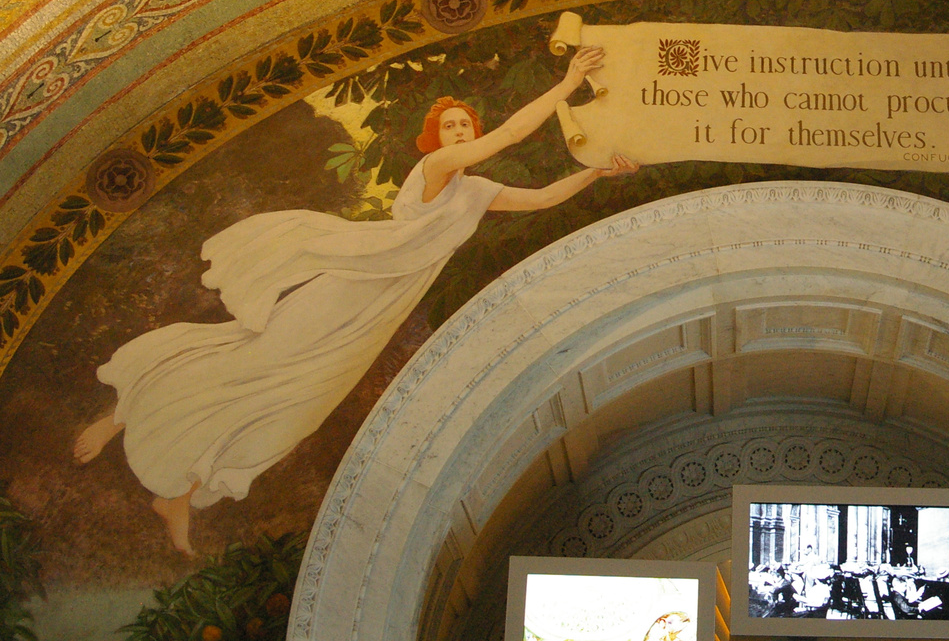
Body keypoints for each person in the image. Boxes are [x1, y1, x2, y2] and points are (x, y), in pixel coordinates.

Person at [73, 46, 637, 554]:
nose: (462, 133)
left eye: (467, 125)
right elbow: (511, 136)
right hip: (347, 291)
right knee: (253, 361)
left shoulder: (477, 191)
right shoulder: (436, 169)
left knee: (298, 409)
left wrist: (597, 172)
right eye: (452, 126)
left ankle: (184, 489)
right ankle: (120, 416)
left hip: (376, 315)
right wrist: (567, 85)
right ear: (436, 139)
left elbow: (541, 198)